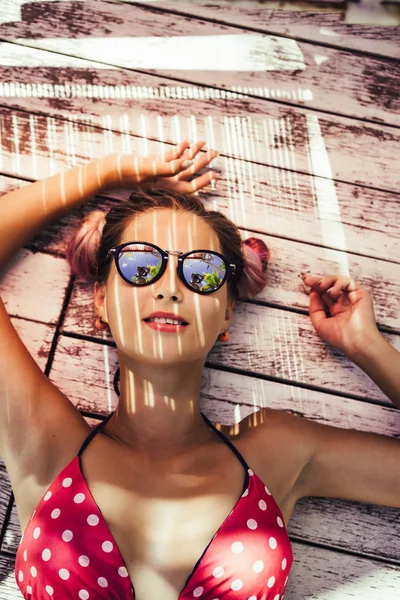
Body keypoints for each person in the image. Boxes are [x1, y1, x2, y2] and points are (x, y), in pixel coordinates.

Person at [1, 140, 399, 600]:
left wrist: (367, 346)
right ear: (103, 301)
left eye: (202, 272)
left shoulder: (279, 452)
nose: (170, 287)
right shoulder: (44, 441)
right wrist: (106, 175)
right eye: (140, 264)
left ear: (226, 313)